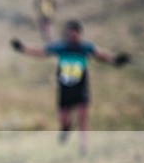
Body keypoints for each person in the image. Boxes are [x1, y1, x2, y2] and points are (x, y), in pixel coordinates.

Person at [11, 20, 129, 154]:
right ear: (66, 34)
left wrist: (116, 61)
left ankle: (83, 146)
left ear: (79, 33)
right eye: (70, 33)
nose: (72, 36)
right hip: (65, 88)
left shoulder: (85, 47)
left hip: (80, 86)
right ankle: (65, 128)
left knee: (83, 116)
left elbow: (101, 55)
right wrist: (22, 48)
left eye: (75, 33)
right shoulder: (61, 47)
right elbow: (40, 51)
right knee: (64, 117)